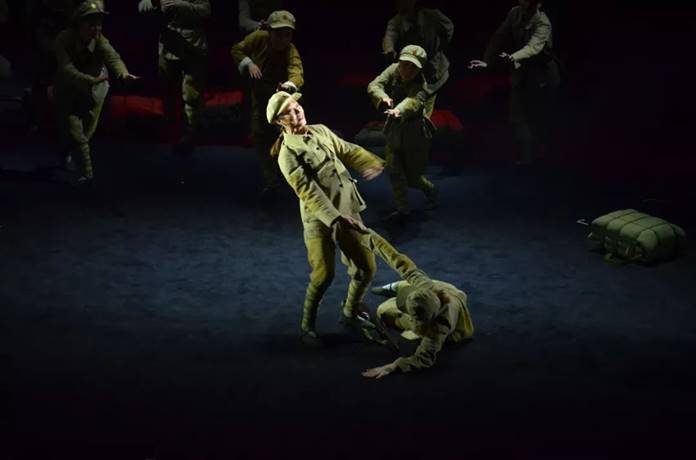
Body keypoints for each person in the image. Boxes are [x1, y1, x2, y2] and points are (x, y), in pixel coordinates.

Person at [267, 91, 386, 345]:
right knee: (323, 275)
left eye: (297, 106)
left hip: (348, 210)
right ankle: (307, 326)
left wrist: (369, 161)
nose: (297, 112)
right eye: (289, 112)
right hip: (320, 220)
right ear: (279, 121)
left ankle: (350, 312)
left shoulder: (320, 130)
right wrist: (335, 219)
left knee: (366, 268)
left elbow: (347, 149)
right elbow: (308, 191)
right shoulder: (287, 154)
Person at [360, 230, 474, 378]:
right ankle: (396, 287)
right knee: (413, 282)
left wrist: (393, 366)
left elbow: (424, 358)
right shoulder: (428, 288)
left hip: (444, 318)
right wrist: (369, 235)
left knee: (383, 311)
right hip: (447, 291)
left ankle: (399, 289)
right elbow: (400, 262)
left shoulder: (438, 329)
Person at [53, 0, 139, 183]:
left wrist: (123, 74)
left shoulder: (100, 40)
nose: (96, 28)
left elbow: (113, 57)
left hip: (95, 90)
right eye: (90, 24)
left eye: (99, 24)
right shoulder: (64, 39)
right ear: (78, 24)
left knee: (87, 132)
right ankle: (87, 173)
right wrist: (88, 80)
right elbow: (66, 68)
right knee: (74, 130)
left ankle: (68, 151)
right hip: (70, 88)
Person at [469, 0, 560, 166]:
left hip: (542, 75)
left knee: (540, 118)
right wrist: (487, 61)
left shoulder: (543, 23)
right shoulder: (514, 13)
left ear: (538, 4)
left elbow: (532, 48)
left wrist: (512, 57)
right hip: (521, 70)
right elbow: (498, 37)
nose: (524, 3)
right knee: (517, 116)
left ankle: (544, 160)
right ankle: (526, 159)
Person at [231, 10, 303, 198]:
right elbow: (237, 49)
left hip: (282, 101)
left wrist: (289, 85)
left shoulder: (290, 50)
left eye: (287, 35)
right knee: (260, 137)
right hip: (260, 97)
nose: (283, 39)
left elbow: (296, 72)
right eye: (278, 34)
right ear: (269, 31)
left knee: (289, 139)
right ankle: (271, 181)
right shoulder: (258, 38)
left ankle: (293, 176)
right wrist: (249, 63)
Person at [368, 44, 437, 218]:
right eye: (405, 65)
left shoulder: (421, 85)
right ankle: (402, 209)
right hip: (395, 130)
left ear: (419, 70)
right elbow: (374, 85)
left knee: (412, 178)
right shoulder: (393, 70)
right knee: (394, 170)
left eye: (413, 68)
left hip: (414, 133)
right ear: (399, 62)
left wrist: (398, 110)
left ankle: (430, 190)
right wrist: (382, 97)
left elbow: (413, 101)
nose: (407, 70)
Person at [138, 0, 211, 157]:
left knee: (192, 96)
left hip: (193, 46)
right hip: (169, 45)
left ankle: (189, 137)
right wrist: (155, 3)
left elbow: (205, 11)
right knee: (169, 95)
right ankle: (172, 134)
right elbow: (142, 6)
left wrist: (179, 5)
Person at [382, 0, 454, 117]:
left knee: (424, 110)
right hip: (411, 73)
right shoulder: (396, 22)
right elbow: (389, 36)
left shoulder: (433, 16)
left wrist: (439, 48)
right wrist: (389, 49)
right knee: (408, 106)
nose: (400, 5)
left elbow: (449, 29)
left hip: (433, 72)